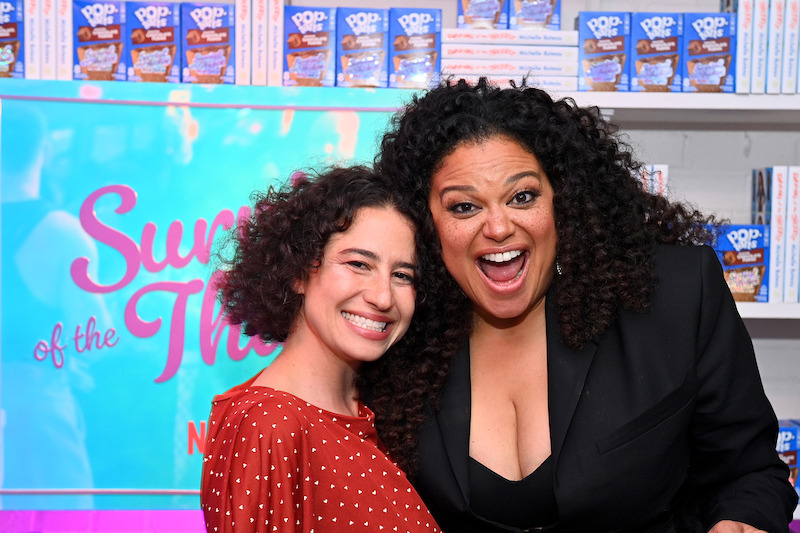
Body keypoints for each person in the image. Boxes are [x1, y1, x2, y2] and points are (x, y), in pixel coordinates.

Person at [367, 78, 798, 533]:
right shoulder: (396, 326)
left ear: (565, 200)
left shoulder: (676, 294)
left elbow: (751, 473)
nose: (497, 227)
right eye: (463, 207)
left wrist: (740, 522)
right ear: (423, 221)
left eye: (523, 197)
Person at [200, 166, 440, 533]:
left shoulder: (371, 415)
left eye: (402, 275)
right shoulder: (270, 425)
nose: (382, 296)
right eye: (358, 264)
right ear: (298, 270)